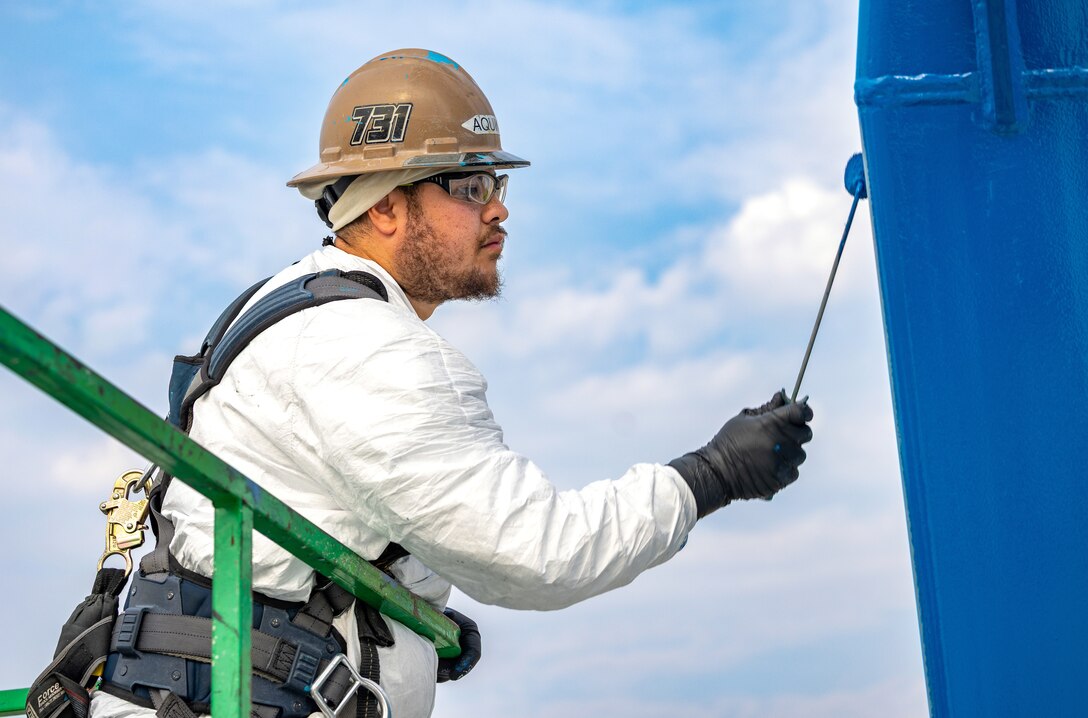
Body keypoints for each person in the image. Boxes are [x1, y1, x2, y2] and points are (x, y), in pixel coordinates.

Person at [90, 48, 813, 718]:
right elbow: (537, 552)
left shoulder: (285, 311)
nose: (498, 207)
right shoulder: (370, 349)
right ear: (383, 206)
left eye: (496, 183)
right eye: (470, 185)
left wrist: (409, 611)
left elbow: (317, 528)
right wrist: (711, 475)